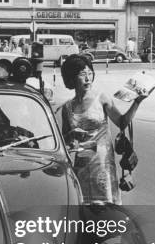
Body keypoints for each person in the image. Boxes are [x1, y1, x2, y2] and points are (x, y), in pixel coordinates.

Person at [60, 54, 148, 205]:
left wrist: (137, 102)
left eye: (90, 73)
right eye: (82, 74)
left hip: (103, 165)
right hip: (81, 167)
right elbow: (64, 142)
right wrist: (71, 135)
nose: (88, 78)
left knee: (106, 210)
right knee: (85, 211)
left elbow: (122, 122)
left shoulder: (101, 98)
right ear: (72, 78)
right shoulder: (67, 108)